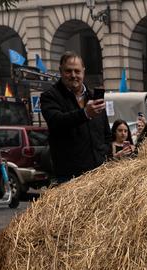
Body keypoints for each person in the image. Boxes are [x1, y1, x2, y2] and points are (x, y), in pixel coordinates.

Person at [40, 52, 112, 184]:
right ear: (60, 71)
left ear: (83, 72)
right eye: (68, 71)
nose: (73, 75)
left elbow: (106, 133)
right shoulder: (50, 96)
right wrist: (85, 113)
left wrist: (104, 156)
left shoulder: (94, 97)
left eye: (77, 71)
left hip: (99, 173)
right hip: (70, 177)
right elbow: (57, 121)